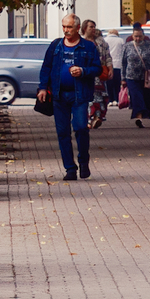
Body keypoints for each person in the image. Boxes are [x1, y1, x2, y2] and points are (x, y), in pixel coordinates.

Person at [38, 12, 102, 180]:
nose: (65, 30)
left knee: (81, 128)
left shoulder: (88, 47)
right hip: (59, 95)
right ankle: (70, 169)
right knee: (62, 132)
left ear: (77, 28)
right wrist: (43, 88)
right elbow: (46, 68)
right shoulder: (56, 46)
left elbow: (98, 69)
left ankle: (83, 162)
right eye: (64, 27)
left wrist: (83, 71)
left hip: (79, 95)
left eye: (69, 27)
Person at [121, 22, 150, 123]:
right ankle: (139, 118)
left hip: (146, 77)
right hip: (131, 77)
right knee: (136, 97)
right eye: (135, 36)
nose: (137, 38)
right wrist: (123, 79)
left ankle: (143, 115)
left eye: (140, 36)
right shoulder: (127, 46)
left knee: (147, 97)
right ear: (132, 36)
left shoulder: (149, 46)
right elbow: (123, 63)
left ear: (143, 36)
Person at [81, 19, 112, 130]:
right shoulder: (81, 42)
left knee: (100, 97)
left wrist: (110, 69)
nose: (93, 29)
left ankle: (97, 117)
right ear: (84, 28)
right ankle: (89, 119)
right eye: (91, 27)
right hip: (86, 75)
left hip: (100, 74)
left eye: (94, 27)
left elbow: (108, 57)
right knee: (89, 98)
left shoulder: (101, 42)